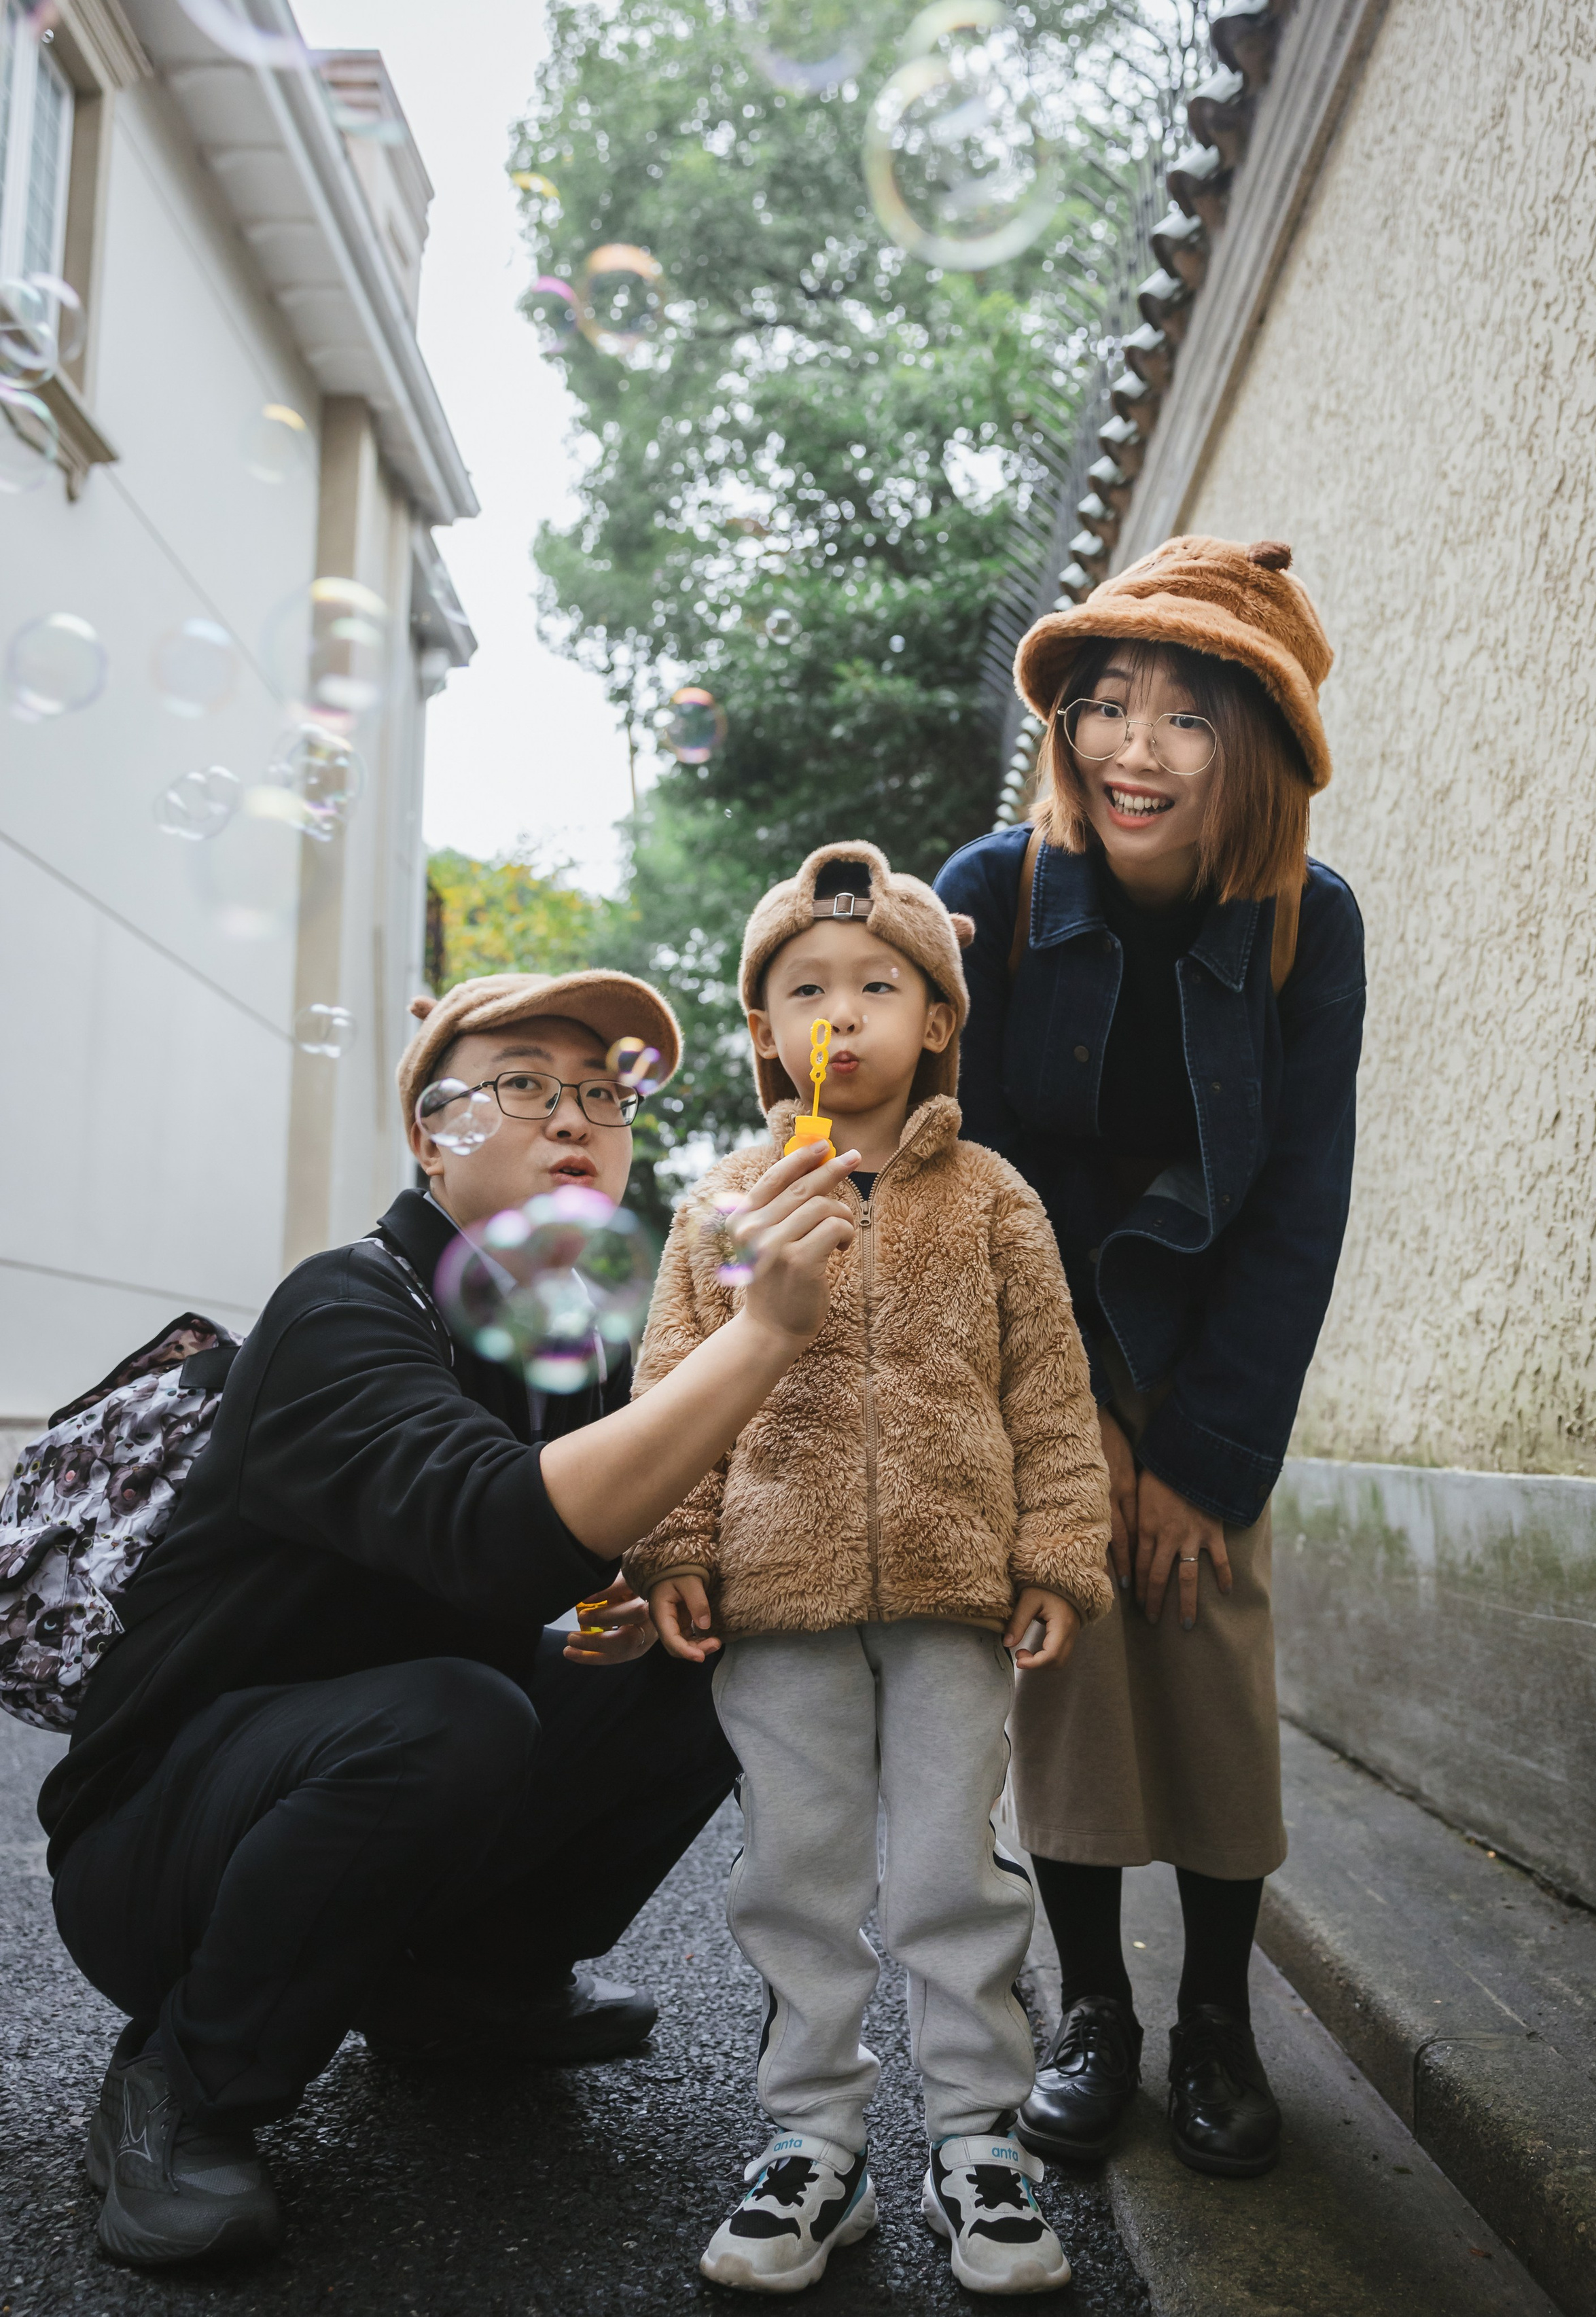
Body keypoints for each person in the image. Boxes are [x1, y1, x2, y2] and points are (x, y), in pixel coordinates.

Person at [39, 967, 864, 2270]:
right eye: (525, 1083)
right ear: (430, 1134)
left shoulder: (577, 1343)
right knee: (455, 1713)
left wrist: (651, 1595)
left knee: (721, 1627)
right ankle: (185, 2082)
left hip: (388, 1772)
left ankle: (465, 1988)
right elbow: (491, 1533)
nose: (575, 1115)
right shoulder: (342, 1304)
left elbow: (618, 1540)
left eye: (604, 1091)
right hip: (163, 1848)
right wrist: (761, 1334)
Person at [623, 843, 1113, 2296]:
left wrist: (1056, 1555)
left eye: (876, 985)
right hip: (775, 1598)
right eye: (802, 990)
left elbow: (1049, 1391)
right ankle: (811, 2149)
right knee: (795, 1869)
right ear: (762, 1030)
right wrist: (672, 1543)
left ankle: (976, 2142)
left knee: (949, 1872)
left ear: (939, 1017)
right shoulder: (724, 1201)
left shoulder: (993, 1200)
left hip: (959, 1596)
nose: (840, 1013)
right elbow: (672, 1376)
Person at [935, 537, 1365, 2179]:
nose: (1130, 746)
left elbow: (1298, 1204)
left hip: (1207, 1358)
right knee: (1070, 1668)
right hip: (1029, 1337)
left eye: (1183, 716)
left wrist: (1193, 1457)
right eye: (1102, 705)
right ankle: (1096, 2009)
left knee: (1202, 1654)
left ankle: (1215, 2026)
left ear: (1252, 746)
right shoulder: (991, 893)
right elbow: (959, 1169)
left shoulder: (1303, 930)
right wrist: (1073, 1430)